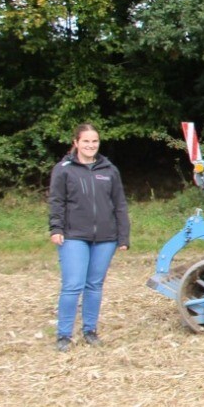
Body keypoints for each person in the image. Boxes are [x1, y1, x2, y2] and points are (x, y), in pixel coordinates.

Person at [48, 124, 130, 351]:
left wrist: (123, 236)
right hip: (74, 235)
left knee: (94, 285)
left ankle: (90, 331)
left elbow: (120, 204)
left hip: (105, 237)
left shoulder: (109, 170)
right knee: (73, 285)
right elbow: (57, 201)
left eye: (94, 141)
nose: (90, 145)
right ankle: (64, 335)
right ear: (76, 143)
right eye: (86, 141)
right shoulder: (64, 169)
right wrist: (56, 229)